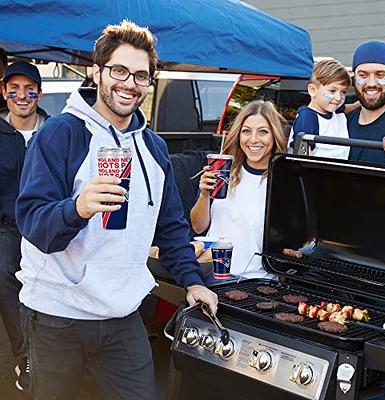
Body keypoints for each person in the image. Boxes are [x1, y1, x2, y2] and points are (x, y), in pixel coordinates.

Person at [15, 20, 217, 400]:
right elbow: (34, 225)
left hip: (123, 318)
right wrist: (77, 208)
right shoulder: (61, 133)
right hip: (58, 317)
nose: (129, 83)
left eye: (141, 75)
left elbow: (171, 226)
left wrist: (193, 282)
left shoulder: (154, 148)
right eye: (119, 71)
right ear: (97, 72)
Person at [190, 100, 287, 279]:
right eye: (246, 131)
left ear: (275, 136)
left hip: (256, 281)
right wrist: (204, 194)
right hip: (213, 276)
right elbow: (198, 227)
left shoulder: (283, 181)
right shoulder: (223, 172)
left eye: (263, 132)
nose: (253, 140)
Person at [0, 60, 47, 391]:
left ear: (39, 94)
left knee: (45, 292)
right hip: (7, 230)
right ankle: (25, 355)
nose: (21, 95)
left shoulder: (55, 131)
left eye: (29, 88)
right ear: (3, 93)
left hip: (46, 228)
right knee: (7, 283)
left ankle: (45, 352)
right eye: (13, 88)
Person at [288, 58, 357, 159]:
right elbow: (303, 154)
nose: (338, 98)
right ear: (313, 90)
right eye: (332, 91)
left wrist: (358, 105)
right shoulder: (308, 118)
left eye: (343, 92)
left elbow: (347, 108)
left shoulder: (335, 109)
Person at [347, 40, 385, 165]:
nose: (371, 83)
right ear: (354, 79)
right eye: (363, 75)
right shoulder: (340, 122)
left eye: (380, 75)